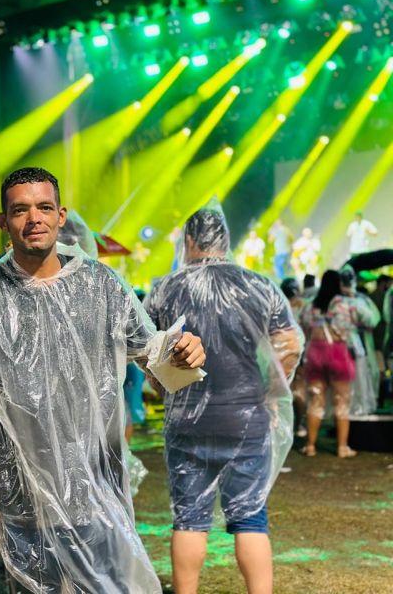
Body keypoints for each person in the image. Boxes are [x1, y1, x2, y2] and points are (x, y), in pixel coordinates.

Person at [0, 167, 206, 593]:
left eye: (45, 207)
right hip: (27, 501)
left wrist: (183, 351)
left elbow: (156, 357)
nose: (35, 219)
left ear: (61, 216)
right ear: (3, 221)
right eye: (20, 210)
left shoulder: (100, 285)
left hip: (96, 493)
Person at [144, 208, 302, 594]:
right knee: (250, 517)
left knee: (189, 519)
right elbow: (290, 344)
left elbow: (144, 350)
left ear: (189, 241)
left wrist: (165, 388)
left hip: (187, 419)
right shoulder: (259, 285)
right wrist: (267, 387)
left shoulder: (165, 288)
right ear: (226, 240)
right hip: (246, 416)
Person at [299, 270, 371, 458]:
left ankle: (311, 446)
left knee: (316, 400)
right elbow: (370, 320)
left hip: (315, 353)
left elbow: (302, 327)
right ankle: (342, 447)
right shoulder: (346, 304)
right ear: (339, 283)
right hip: (338, 353)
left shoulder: (310, 306)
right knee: (342, 401)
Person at [339, 266, 381, 415]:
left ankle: (362, 406)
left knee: (364, 374)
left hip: (361, 342)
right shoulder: (341, 300)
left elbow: (373, 320)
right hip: (345, 343)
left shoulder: (360, 299)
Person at [281, 277, 308, 438]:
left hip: (281, 351)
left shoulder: (278, 304)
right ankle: (299, 424)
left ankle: (285, 426)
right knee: (299, 387)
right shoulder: (303, 306)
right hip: (300, 350)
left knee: (283, 388)